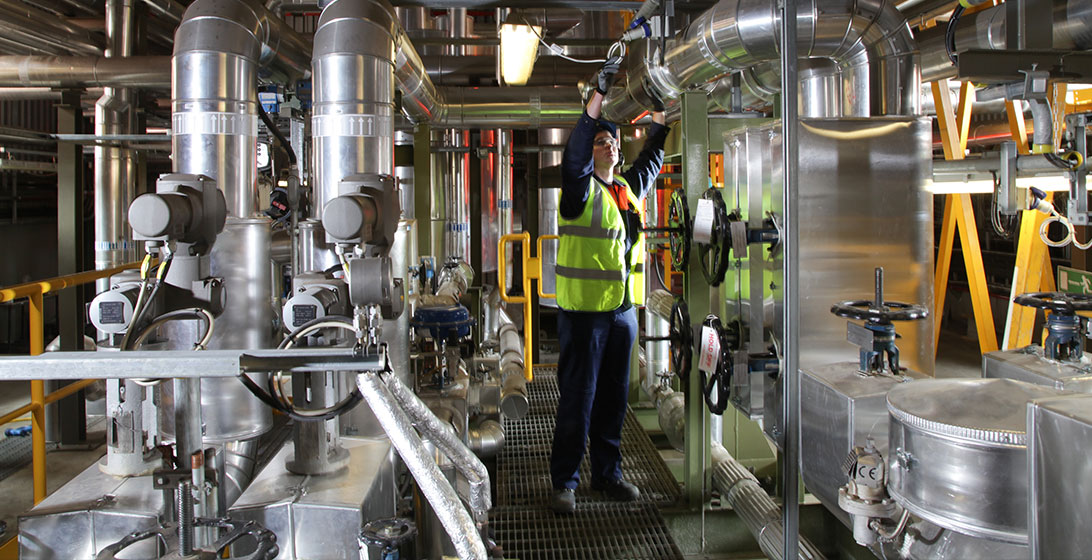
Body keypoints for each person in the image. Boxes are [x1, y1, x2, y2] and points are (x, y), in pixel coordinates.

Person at [549, 55, 669, 515]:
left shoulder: (627, 190)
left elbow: (653, 155)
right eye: (600, 141)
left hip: (622, 314)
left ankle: (607, 474)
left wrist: (659, 110)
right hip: (584, 316)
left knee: (615, 398)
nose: (607, 147)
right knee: (579, 399)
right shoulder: (579, 191)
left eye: (612, 142)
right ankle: (565, 482)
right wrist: (597, 100)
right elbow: (576, 150)